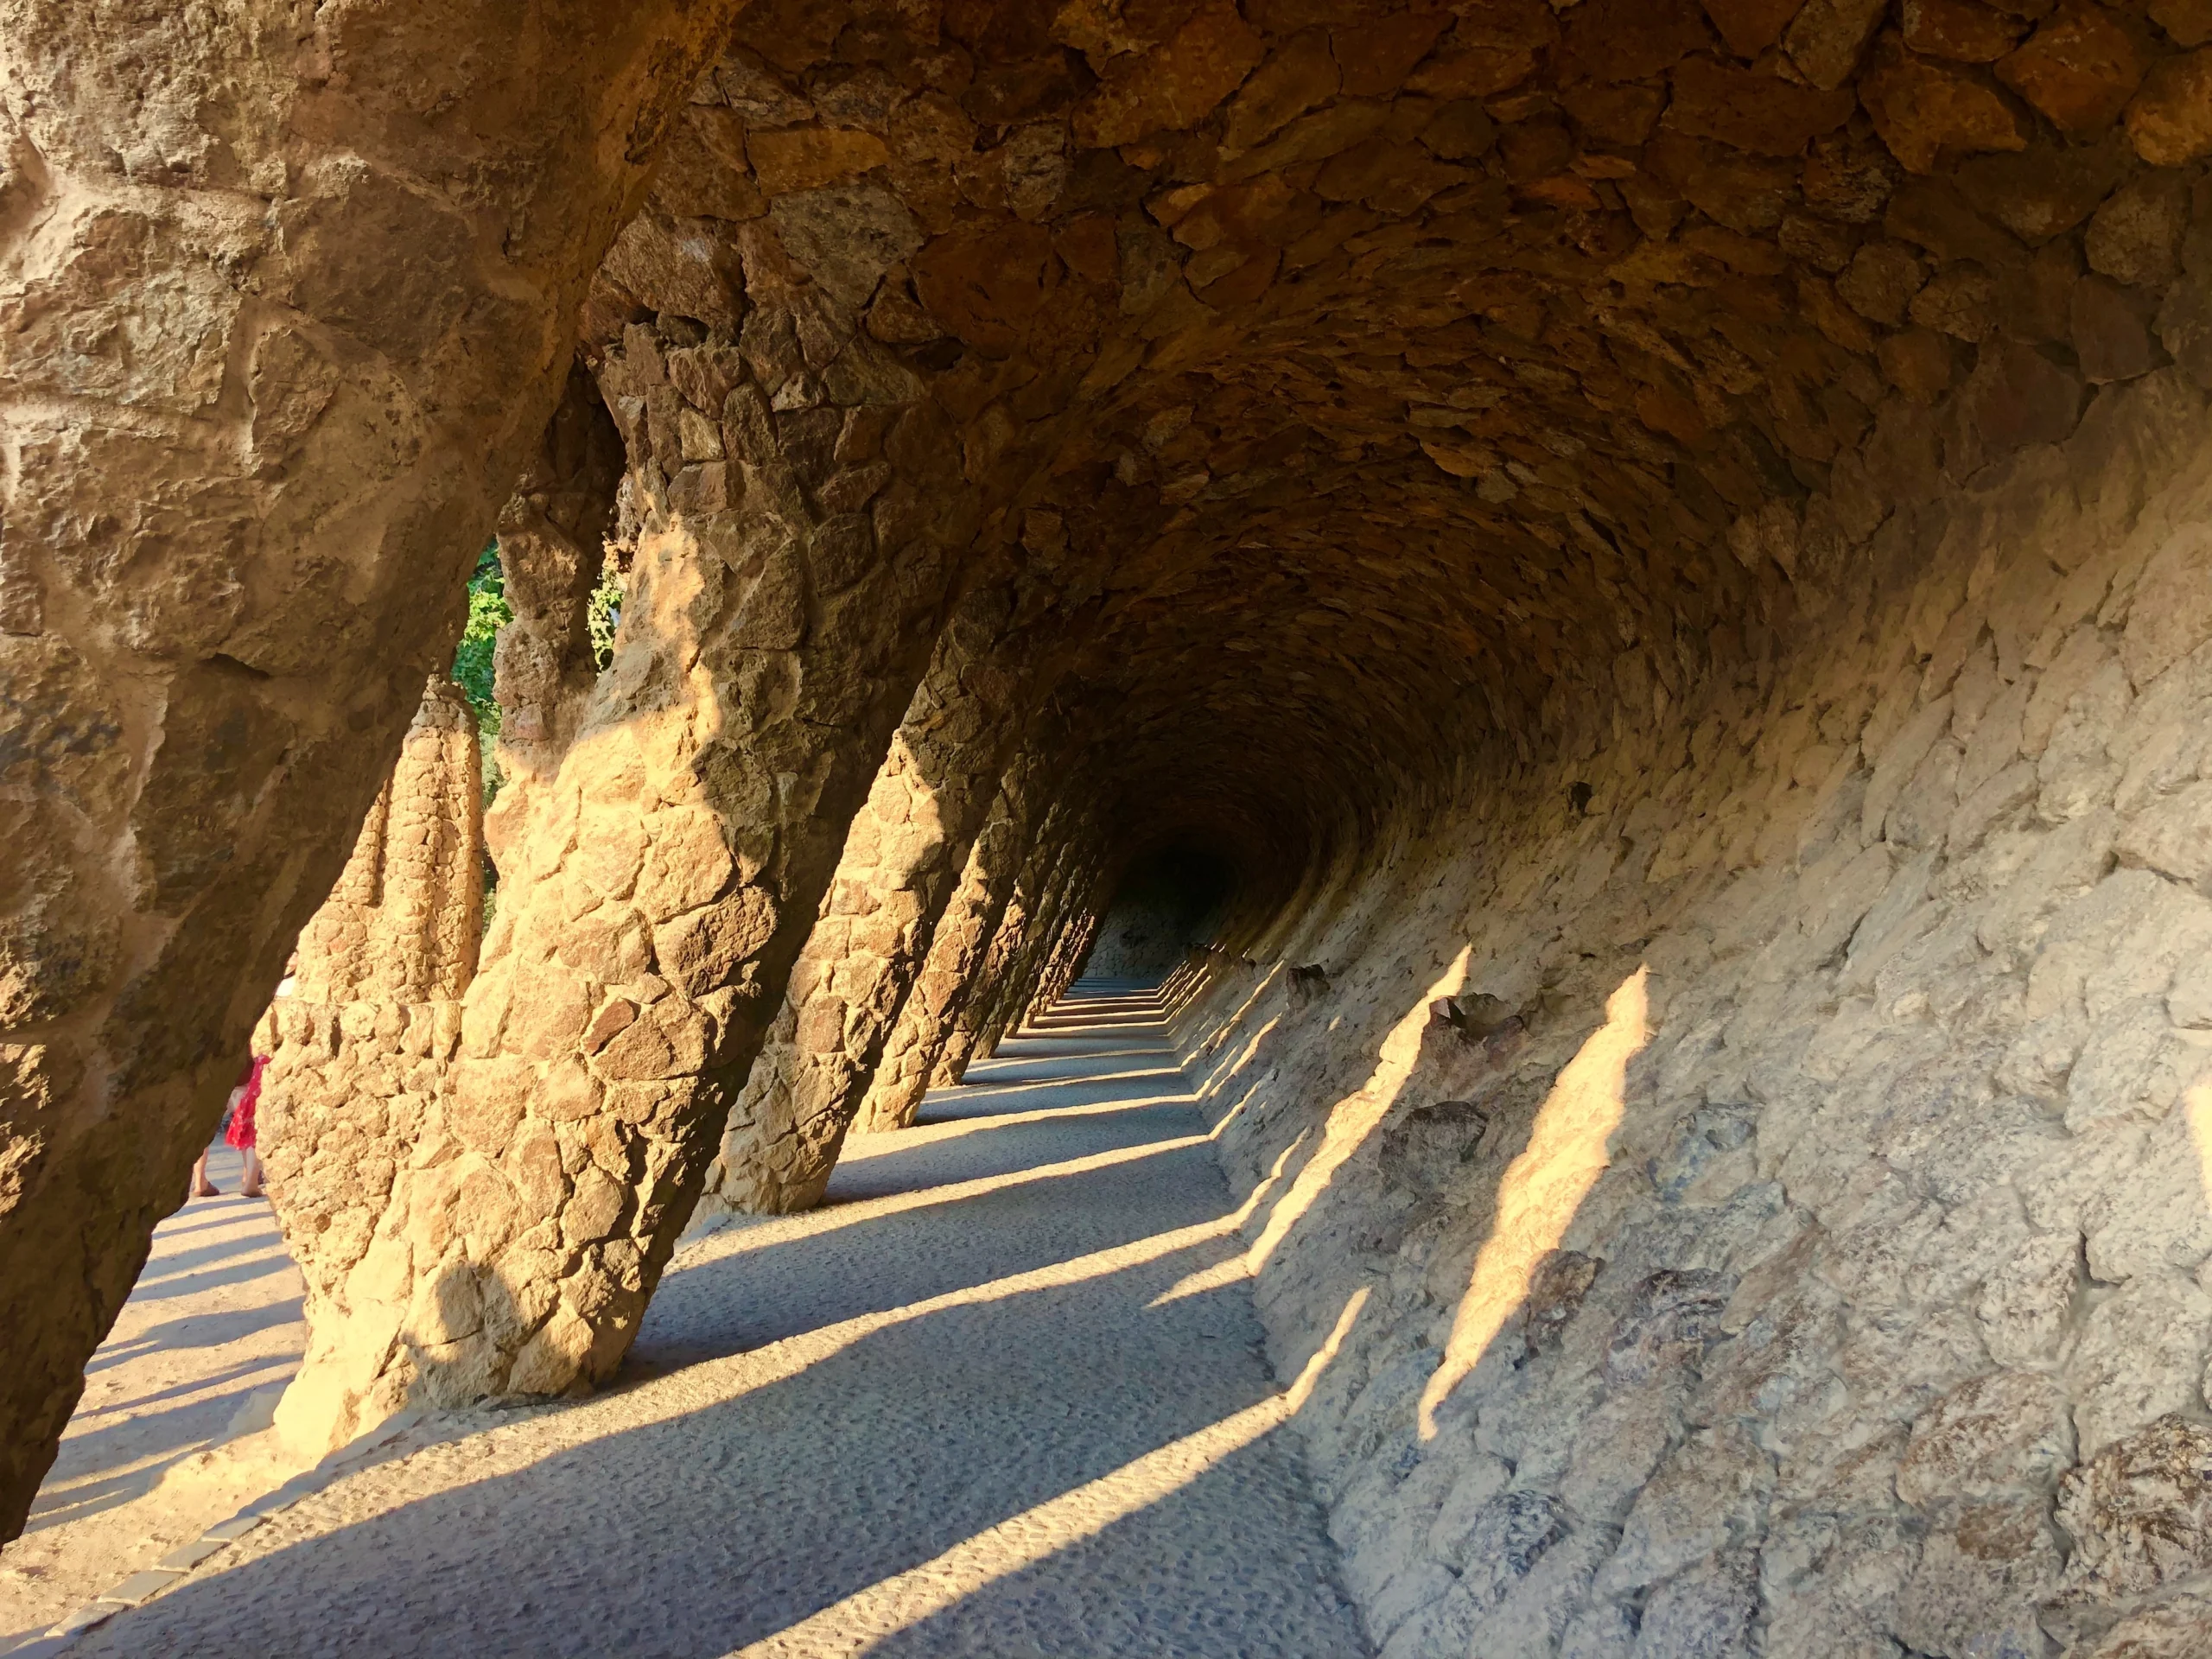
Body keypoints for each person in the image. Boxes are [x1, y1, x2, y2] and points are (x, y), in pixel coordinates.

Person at [190, 1054, 269, 1198]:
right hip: (243, 1078)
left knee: (202, 1130)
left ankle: (200, 1181)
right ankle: (250, 1180)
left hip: (211, 1078)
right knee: (250, 1125)